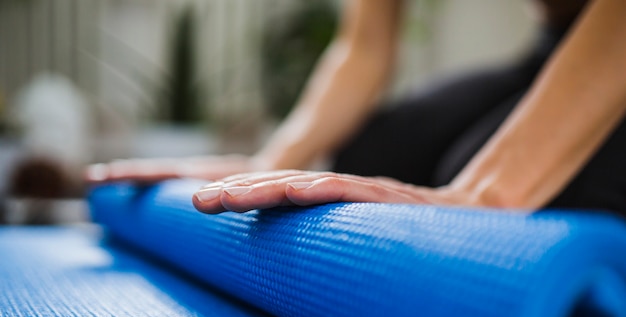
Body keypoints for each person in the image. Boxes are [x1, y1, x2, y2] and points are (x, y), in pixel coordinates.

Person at [87, 0, 626, 217]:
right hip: (550, 48)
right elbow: (365, 45)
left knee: (471, 178)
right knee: (370, 154)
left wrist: (485, 196)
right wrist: (271, 160)